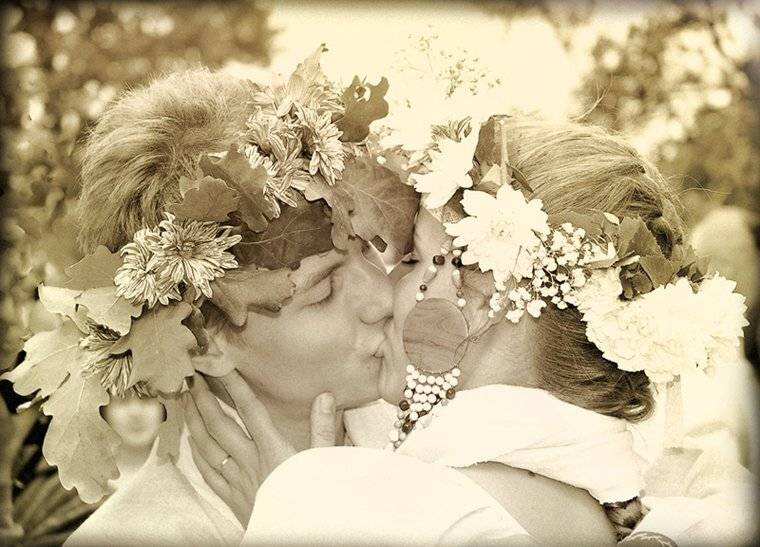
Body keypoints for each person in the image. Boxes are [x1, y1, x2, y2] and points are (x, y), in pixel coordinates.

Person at [189, 115, 757, 545]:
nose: (387, 292)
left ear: (486, 297)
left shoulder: (383, 512)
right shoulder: (600, 498)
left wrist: (298, 512)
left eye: (413, 260)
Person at [58, 52, 417, 545]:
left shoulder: (438, 438)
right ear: (204, 341)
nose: (384, 297)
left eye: (368, 250)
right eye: (324, 289)